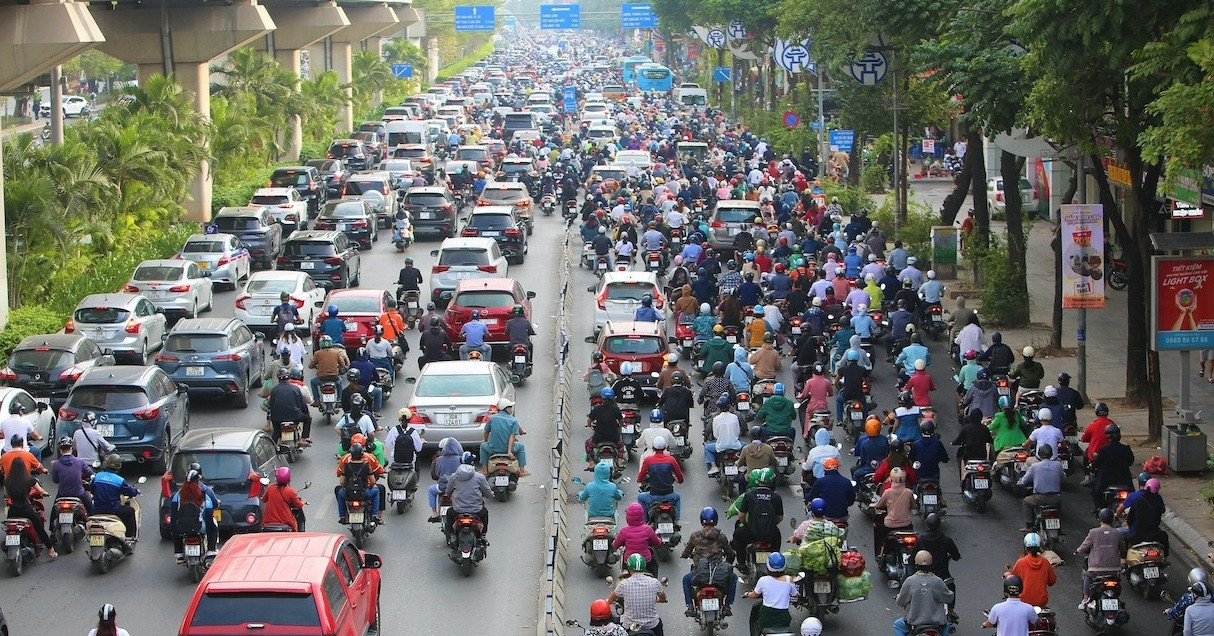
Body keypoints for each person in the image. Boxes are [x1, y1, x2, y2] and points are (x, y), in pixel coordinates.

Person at [680, 507, 738, 617]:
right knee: (734, 578)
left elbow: (686, 552)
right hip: (718, 572)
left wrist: (685, 555)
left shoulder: (695, 536)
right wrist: (729, 563)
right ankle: (727, 606)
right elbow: (730, 553)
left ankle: (690, 607)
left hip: (699, 573)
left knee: (686, 580)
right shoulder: (721, 536)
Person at [3, 455, 56, 558]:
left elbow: (7, 494)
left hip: (12, 510)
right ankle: (51, 550)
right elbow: (40, 490)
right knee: (39, 528)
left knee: (10, 529)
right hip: (26, 509)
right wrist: (45, 493)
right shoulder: (29, 479)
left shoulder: (7, 480)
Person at [893, 551, 955, 636]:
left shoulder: (910, 581)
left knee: (897, 625)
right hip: (937, 624)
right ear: (931, 565)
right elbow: (949, 598)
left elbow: (900, 602)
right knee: (947, 626)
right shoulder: (937, 581)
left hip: (914, 623)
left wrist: (898, 597)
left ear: (916, 565)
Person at [732, 468, 783, 566]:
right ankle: (776, 561)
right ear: (772, 482)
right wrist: (770, 525)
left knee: (737, 536)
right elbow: (780, 518)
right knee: (777, 539)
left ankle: (742, 564)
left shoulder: (749, 496)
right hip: (770, 534)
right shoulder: (776, 497)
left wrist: (748, 524)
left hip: (751, 533)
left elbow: (741, 516)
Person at [1077, 509, 1125, 609]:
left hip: (1096, 570)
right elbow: (1122, 548)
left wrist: (1078, 550)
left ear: (1100, 519)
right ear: (1112, 520)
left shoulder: (1093, 532)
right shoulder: (1117, 533)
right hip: (1114, 570)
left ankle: (1085, 600)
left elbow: (1084, 547)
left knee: (1087, 575)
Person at [608, 554, 667, 636]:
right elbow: (663, 598)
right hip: (651, 625)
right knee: (658, 624)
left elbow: (611, 598)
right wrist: (658, 600)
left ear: (629, 567)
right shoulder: (654, 582)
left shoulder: (624, 584)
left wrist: (608, 601)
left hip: (629, 626)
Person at [916, 513, 961, 620]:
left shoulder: (921, 540)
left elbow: (912, 557)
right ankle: (951, 609)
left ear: (927, 525)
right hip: (942, 575)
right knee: (951, 587)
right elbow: (956, 556)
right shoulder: (946, 540)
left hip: (925, 574)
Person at [170, 469, 218, 560]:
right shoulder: (205, 493)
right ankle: (211, 550)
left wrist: (175, 529)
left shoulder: (177, 495)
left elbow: (173, 514)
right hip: (200, 527)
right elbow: (209, 512)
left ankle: (179, 553)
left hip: (182, 527)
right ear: (197, 481)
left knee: (175, 524)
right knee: (214, 525)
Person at [744, 553, 798, 633]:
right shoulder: (788, 579)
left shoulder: (763, 580)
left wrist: (747, 594)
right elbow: (795, 594)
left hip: (766, 617)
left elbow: (754, 595)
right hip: (783, 618)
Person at [91, 454, 139, 542]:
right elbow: (129, 492)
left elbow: (92, 489)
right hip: (113, 509)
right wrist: (136, 491)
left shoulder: (97, 476)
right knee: (130, 511)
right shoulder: (119, 480)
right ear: (119, 466)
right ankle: (129, 538)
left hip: (97, 509)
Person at [444, 453, 492, 538]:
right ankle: (483, 535)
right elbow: (487, 494)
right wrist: (491, 494)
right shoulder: (480, 477)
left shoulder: (454, 476)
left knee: (449, 513)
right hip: (476, 510)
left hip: (457, 510)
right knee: (485, 513)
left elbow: (448, 492)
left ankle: (452, 535)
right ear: (472, 462)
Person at [1018, 445, 1064, 532]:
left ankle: (1029, 526)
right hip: (1056, 498)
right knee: (1058, 508)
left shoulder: (1035, 466)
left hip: (1040, 498)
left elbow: (1024, 480)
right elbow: (1063, 478)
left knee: (1026, 501)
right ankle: (1059, 527)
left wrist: (1020, 482)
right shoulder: (1058, 465)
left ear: (1039, 455)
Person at [336, 442, 384, 524]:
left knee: (340, 492)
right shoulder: (367, 466)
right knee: (376, 491)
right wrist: (371, 486)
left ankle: (343, 517)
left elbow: (341, 482)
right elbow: (373, 482)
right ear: (362, 454)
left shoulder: (345, 466)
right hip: (364, 493)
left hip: (349, 494)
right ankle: (374, 515)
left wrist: (346, 488)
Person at [637, 435, 684, 520]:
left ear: (653, 447)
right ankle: (677, 520)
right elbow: (680, 478)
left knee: (640, 497)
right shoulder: (671, 460)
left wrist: (640, 480)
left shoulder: (648, 460)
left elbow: (640, 478)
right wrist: (678, 480)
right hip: (669, 495)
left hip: (654, 495)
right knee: (677, 497)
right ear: (665, 447)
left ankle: (644, 520)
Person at [1090, 423, 1135, 511]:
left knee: (1095, 490)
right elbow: (1130, 461)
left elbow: (1096, 464)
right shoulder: (1125, 448)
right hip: (1125, 481)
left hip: (1106, 482)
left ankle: (1098, 509)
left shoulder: (1103, 449)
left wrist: (1093, 466)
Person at [480, 398, 528, 477]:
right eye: (510, 407)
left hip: (493, 448)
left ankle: (484, 470)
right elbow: (512, 437)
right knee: (521, 447)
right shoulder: (513, 420)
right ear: (506, 408)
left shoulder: (492, 418)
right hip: (508, 449)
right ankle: (522, 470)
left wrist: (485, 440)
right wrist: (509, 451)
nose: (511, 408)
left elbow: (486, 432)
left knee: (483, 446)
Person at [874, 468, 914, 559]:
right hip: (906, 525)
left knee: (882, 537)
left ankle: (881, 553)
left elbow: (879, 504)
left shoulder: (888, 492)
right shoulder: (908, 492)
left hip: (890, 526)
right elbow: (913, 505)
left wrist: (872, 505)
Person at [613, 502, 663, 576]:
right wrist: (659, 539)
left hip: (629, 562)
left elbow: (615, 545)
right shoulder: (648, 529)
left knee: (623, 576)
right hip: (647, 561)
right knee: (654, 568)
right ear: (642, 515)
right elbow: (657, 543)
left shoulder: (624, 531)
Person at [1010, 532, 1057, 608]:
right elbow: (1052, 581)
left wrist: (1007, 575)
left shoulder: (1020, 562)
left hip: (1023, 601)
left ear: (1025, 547)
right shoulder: (1045, 562)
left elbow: (1012, 581)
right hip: (1041, 602)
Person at [1124, 477, 1169, 555]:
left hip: (1138, 535)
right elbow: (1162, 511)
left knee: (1124, 537)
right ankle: (1165, 557)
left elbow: (1130, 519)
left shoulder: (1137, 501)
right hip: (1155, 534)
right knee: (1165, 536)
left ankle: (1123, 559)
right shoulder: (1159, 500)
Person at [268, 367, 311, 445]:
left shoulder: (274, 390)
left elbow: (271, 406)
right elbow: (302, 404)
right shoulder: (295, 388)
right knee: (308, 419)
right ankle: (303, 439)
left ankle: (277, 440)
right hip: (295, 416)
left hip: (278, 418)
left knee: (275, 429)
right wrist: (307, 413)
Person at [50, 436, 94, 513]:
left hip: (63, 494)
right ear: (71, 448)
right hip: (79, 493)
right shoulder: (80, 461)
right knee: (90, 509)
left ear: (60, 450)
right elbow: (90, 473)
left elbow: (55, 480)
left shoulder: (56, 464)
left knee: (54, 512)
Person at [586, 387, 624, 471]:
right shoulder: (615, 409)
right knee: (621, 445)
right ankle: (620, 462)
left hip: (598, 438)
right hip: (613, 438)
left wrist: (589, 425)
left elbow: (589, 420)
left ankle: (591, 463)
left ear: (602, 398)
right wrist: (621, 424)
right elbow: (621, 421)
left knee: (588, 443)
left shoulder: (597, 409)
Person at [427, 437, 464, 523]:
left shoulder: (438, 460)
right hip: (457, 487)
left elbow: (435, 475)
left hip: (442, 487)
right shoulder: (460, 459)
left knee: (431, 490)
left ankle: (435, 513)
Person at [704, 394, 742, 476]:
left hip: (720, 446)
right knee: (746, 446)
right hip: (735, 445)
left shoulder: (715, 418)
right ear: (729, 406)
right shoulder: (735, 417)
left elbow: (715, 435)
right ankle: (742, 464)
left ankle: (713, 467)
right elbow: (738, 432)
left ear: (718, 407)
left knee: (707, 448)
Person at [263, 466, 307, 531]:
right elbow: (298, 505)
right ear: (289, 479)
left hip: (268, 522)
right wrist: (303, 501)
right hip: (285, 522)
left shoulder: (270, 488)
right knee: (295, 528)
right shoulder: (290, 491)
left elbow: (264, 499)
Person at [308, 335, 348, 403]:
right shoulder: (336, 352)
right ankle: (339, 399)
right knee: (340, 382)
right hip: (334, 378)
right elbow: (343, 364)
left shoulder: (317, 353)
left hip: (321, 378)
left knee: (313, 382)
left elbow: (310, 366)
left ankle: (317, 400)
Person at [1081, 402, 1115, 469]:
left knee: (1086, 456)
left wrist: (1082, 439)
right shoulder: (1112, 423)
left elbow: (1085, 438)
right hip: (1110, 454)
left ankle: (1087, 474)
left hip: (1095, 454)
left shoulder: (1092, 425)